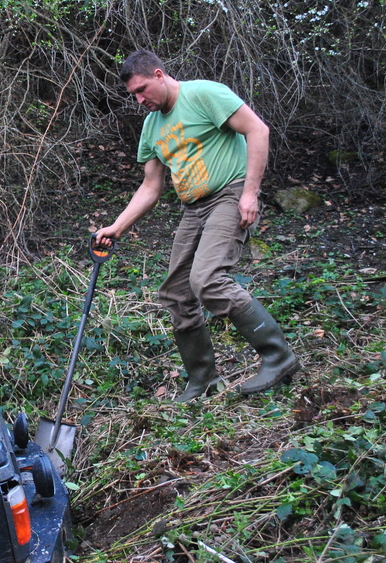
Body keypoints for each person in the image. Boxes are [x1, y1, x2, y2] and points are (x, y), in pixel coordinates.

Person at [95, 50, 300, 401]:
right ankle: (202, 379)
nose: (141, 99)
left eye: (143, 89)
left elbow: (257, 130)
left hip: (229, 194)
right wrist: (117, 227)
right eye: (134, 95)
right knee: (175, 293)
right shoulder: (152, 127)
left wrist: (250, 193)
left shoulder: (204, 94)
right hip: (194, 208)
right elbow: (151, 186)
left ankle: (278, 357)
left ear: (159, 75)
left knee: (207, 279)